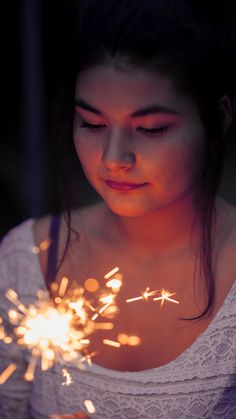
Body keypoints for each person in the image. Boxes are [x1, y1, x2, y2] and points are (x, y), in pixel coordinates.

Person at [1, 0, 236, 417]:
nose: (114, 158)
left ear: (217, 120)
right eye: (91, 124)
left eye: (150, 129)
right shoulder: (27, 260)